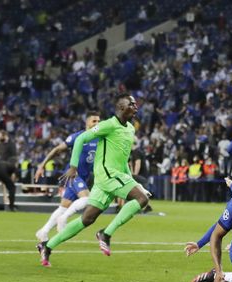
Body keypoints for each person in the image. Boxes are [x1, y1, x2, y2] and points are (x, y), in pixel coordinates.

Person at [37, 94, 149, 267]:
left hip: (112, 177)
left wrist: (132, 179)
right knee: (141, 199)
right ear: (120, 107)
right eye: (131, 104)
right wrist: (73, 166)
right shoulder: (108, 125)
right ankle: (106, 234)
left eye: (135, 104)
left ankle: (47, 246)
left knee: (87, 219)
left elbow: (123, 159)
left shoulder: (130, 129)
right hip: (107, 175)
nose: (136, 107)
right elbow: (81, 138)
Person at [34, 111, 101, 241]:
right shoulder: (78, 137)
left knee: (63, 207)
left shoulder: (101, 139)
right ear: (86, 122)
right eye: (94, 121)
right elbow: (57, 150)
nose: (97, 123)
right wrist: (42, 165)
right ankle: (63, 219)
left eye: (99, 121)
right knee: (87, 198)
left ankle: (43, 231)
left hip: (83, 177)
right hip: (72, 175)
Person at [186, 167, 232, 282]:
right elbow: (218, 226)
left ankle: (221, 275)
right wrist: (199, 244)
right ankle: (217, 275)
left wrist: (231, 185)